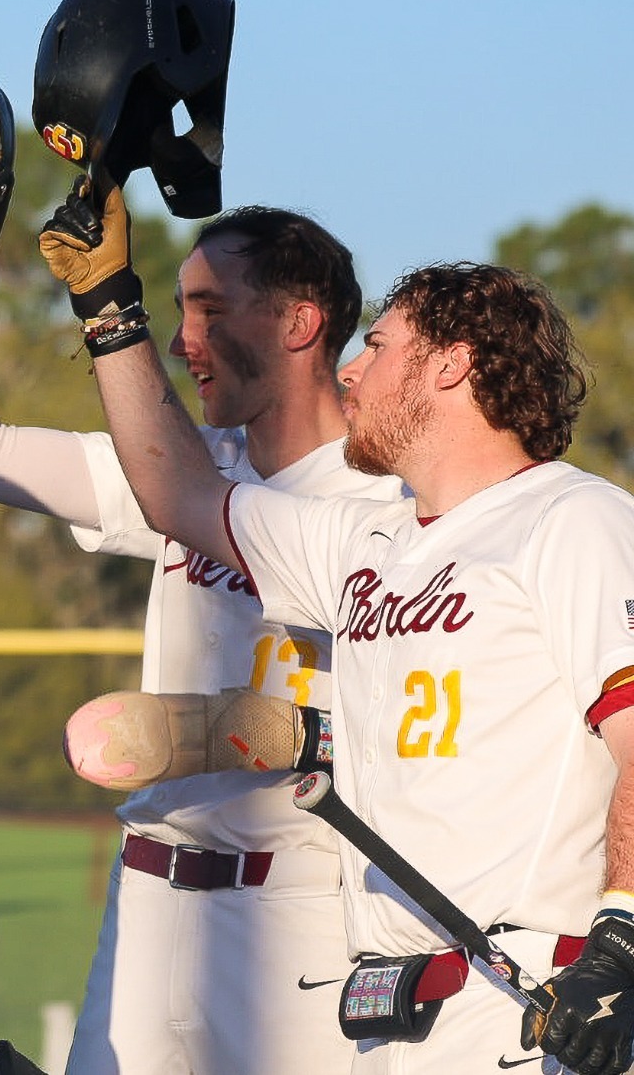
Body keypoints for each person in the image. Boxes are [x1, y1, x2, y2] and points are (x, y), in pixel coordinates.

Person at [43, 183, 634, 1073]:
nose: (350, 371)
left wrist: (622, 940)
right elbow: (180, 492)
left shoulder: (572, 517)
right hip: (385, 1008)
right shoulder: (366, 540)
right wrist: (107, 310)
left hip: (526, 1002)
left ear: (452, 365)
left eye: (380, 346)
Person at [0, 204, 399, 1073]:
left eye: (212, 309)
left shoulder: (392, 505)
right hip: (151, 903)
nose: (185, 340)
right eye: (180, 309)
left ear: (300, 323)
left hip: (305, 913)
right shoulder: (188, 469)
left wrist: (288, 732)